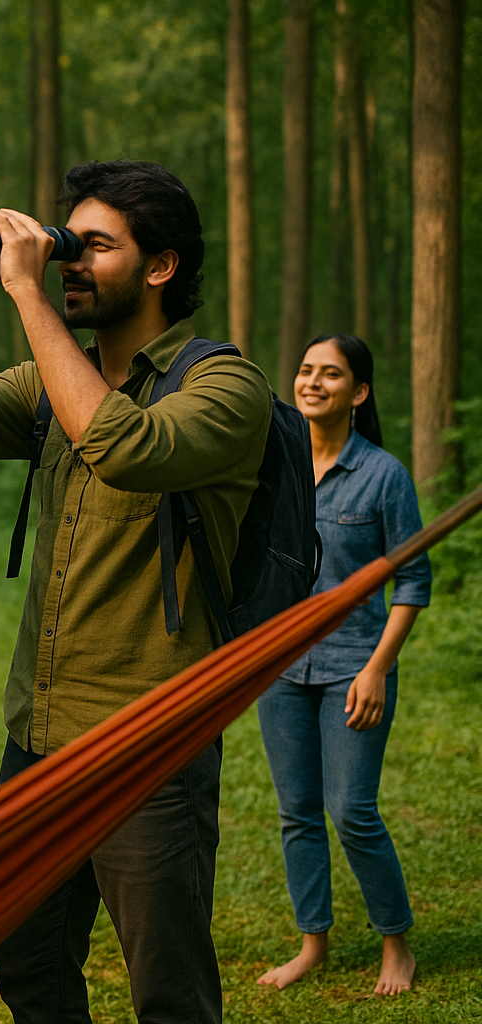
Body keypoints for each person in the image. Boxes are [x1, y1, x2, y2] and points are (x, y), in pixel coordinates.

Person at [0, 160, 272, 1024]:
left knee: (167, 990)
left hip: (149, 745)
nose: (69, 263)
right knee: (28, 966)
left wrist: (29, 297)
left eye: (93, 246)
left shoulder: (225, 386)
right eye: (65, 243)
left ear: (161, 267)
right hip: (36, 737)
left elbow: (130, 447)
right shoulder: (49, 384)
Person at [255, 333, 429, 996]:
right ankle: (313, 945)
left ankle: (396, 946)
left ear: (358, 393)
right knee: (297, 811)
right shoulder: (278, 468)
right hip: (283, 669)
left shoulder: (384, 476)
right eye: (305, 371)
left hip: (355, 667)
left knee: (351, 810)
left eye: (331, 374)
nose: (313, 382)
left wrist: (378, 668)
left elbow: (412, 581)